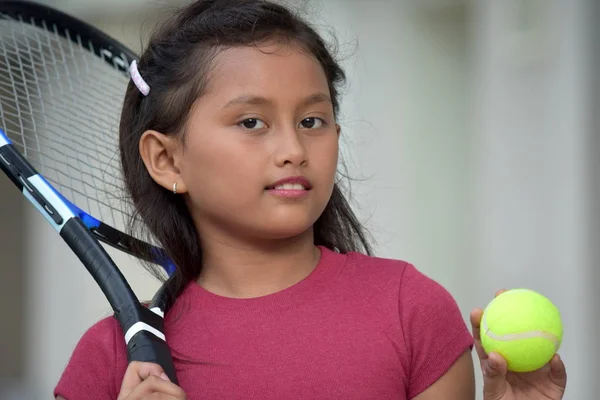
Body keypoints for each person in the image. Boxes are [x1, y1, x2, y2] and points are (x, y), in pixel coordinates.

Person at [54, 0, 567, 399]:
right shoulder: (109, 361)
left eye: (312, 121)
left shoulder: (412, 310)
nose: (293, 150)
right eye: (251, 122)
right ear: (166, 160)